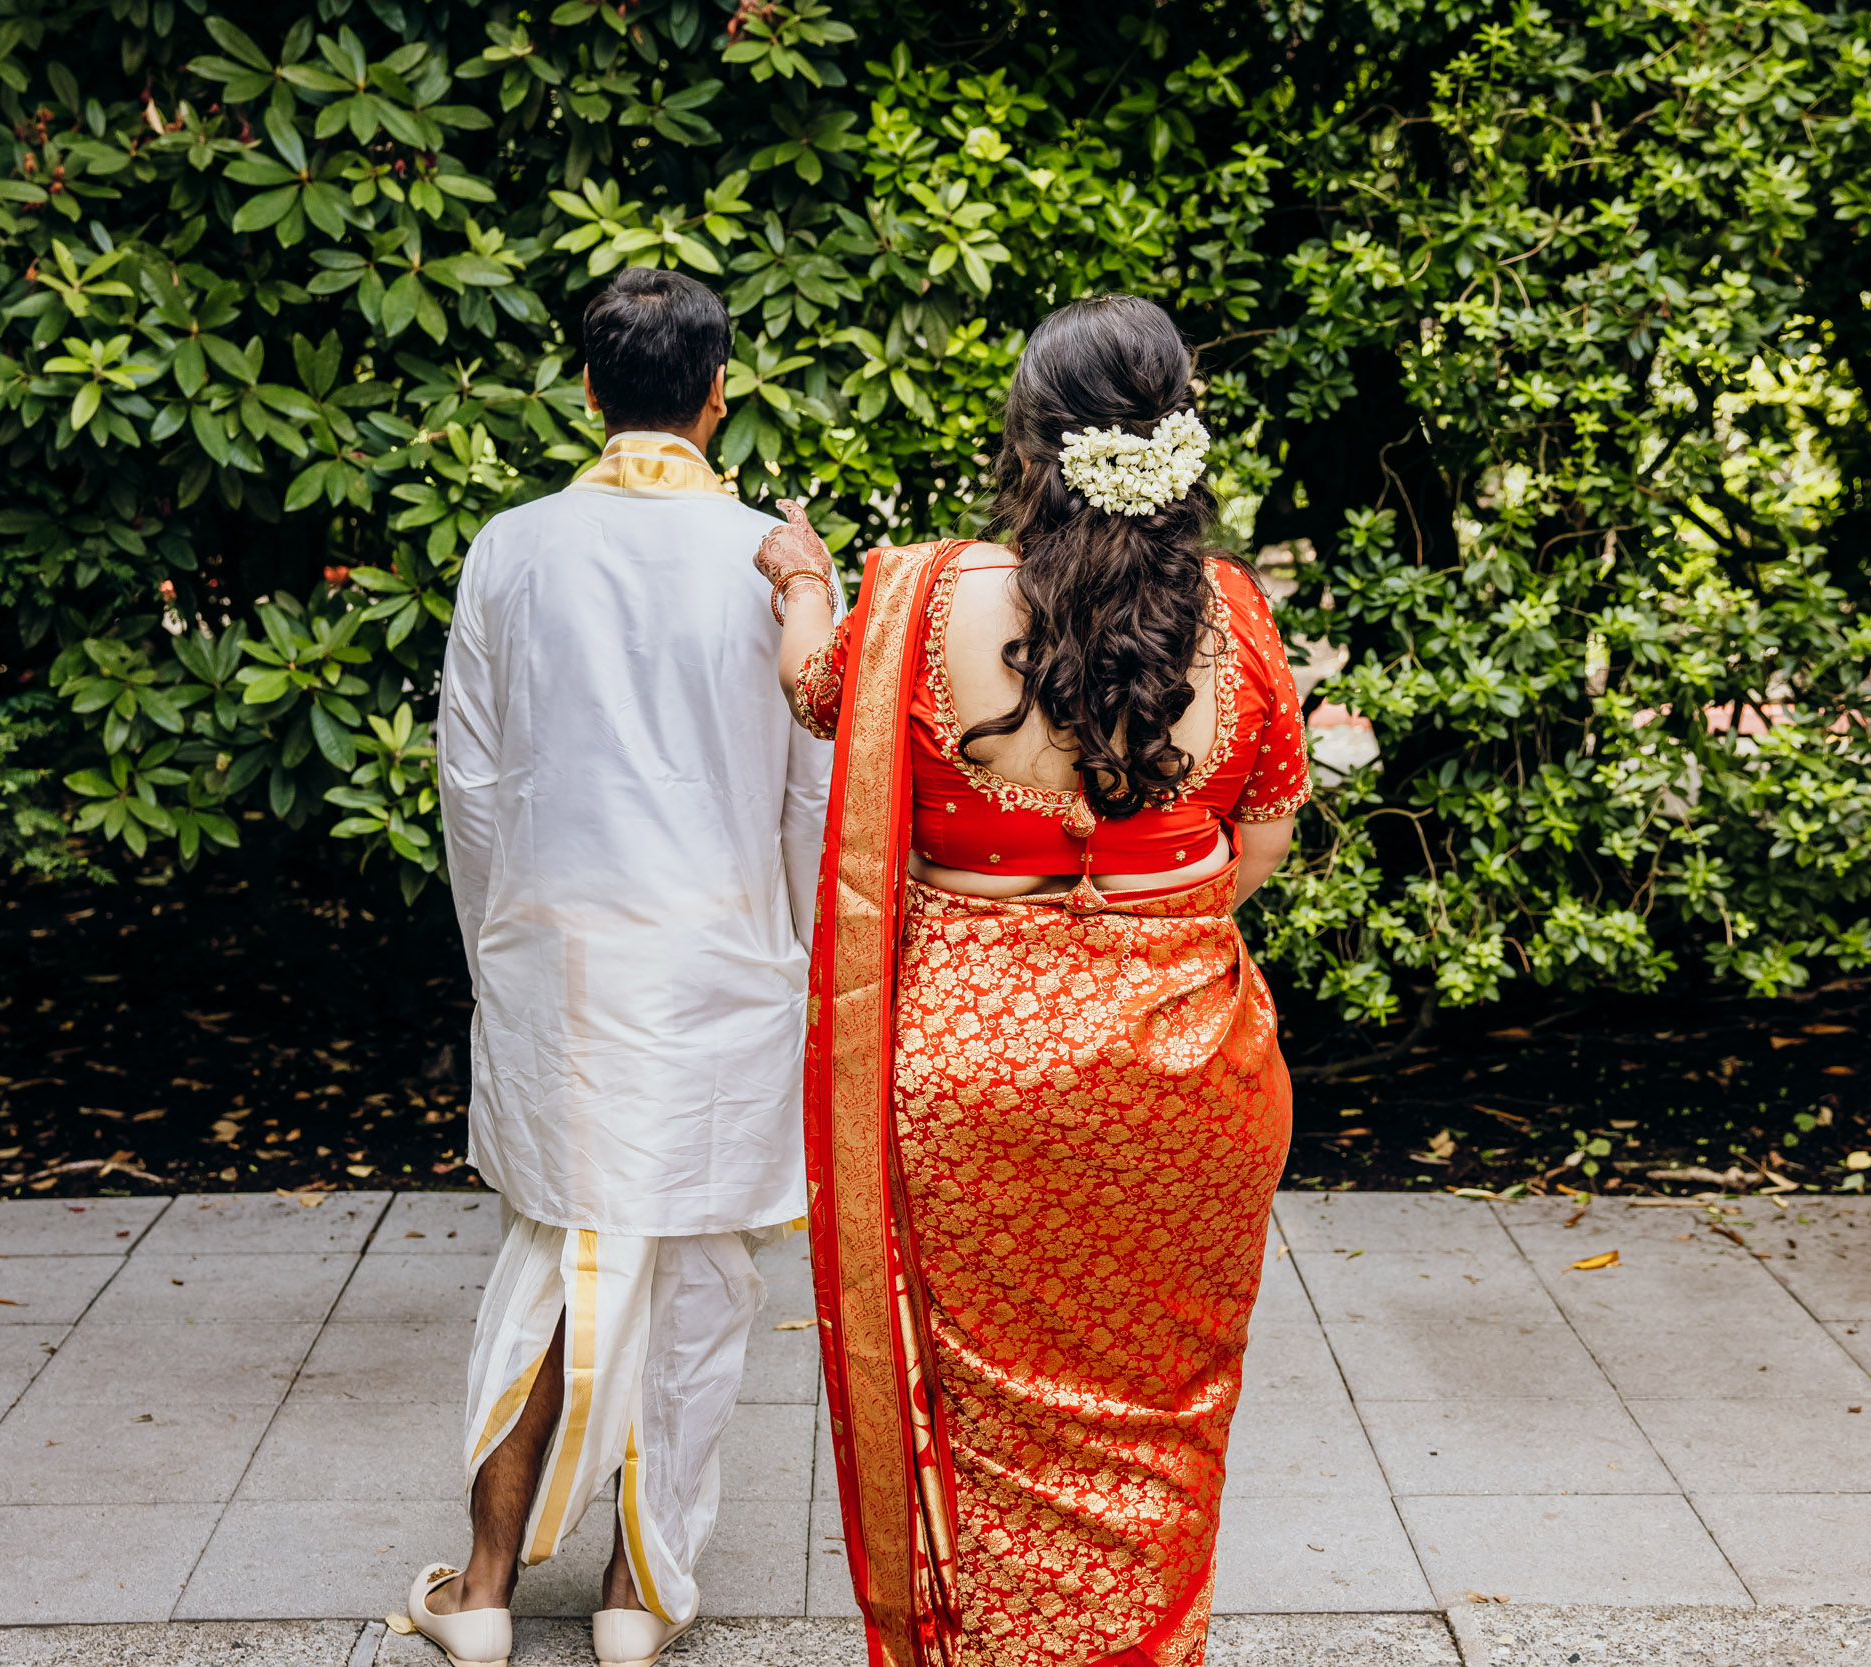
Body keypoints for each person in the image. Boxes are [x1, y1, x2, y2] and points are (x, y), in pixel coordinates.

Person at [757, 295, 1306, 1667]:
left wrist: (803, 582)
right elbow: (1266, 830)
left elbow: (818, 691)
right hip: (1187, 1067)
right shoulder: (1233, 610)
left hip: (973, 1070)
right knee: (1168, 1407)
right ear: (1177, 439)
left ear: (1032, 440)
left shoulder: (926, 600)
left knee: (985, 1409)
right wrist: (1145, 927)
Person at [415, 266, 832, 1667]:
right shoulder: (776, 561)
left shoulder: (510, 547)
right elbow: (806, 794)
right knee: (699, 1273)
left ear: (586, 391)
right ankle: (638, 1594)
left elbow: (470, 783)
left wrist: (502, 943)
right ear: (722, 394)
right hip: (720, 957)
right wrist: (791, 955)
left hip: (563, 957)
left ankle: (478, 1587)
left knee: (556, 1252)